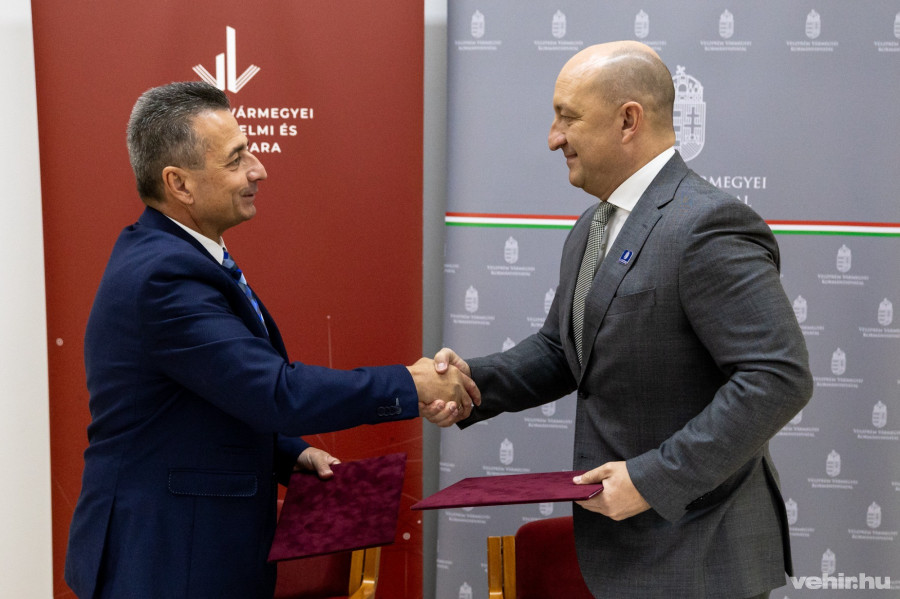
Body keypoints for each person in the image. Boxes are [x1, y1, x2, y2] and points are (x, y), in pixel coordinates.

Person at [64, 81, 479, 599]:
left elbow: (210, 397)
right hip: (164, 560)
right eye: (236, 159)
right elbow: (274, 392)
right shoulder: (164, 277)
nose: (258, 170)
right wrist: (410, 385)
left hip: (187, 551)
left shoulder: (177, 255)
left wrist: (289, 453)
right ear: (179, 184)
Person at [435, 41, 813, 598]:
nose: (553, 137)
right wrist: (470, 383)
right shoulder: (592, 226)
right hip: (623, 555)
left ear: (628, 120)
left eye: (568, 117)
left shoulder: (707, 224)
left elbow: (777, 377)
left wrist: (653, 478)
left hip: (700, 558)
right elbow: (563, 351)